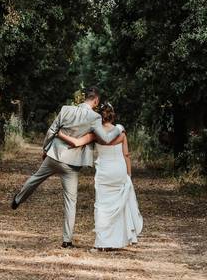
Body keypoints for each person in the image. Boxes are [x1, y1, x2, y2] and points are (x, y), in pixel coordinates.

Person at [9, 86, 123, 248]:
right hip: (71, 164)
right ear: (96, 100)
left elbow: (52, 131)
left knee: (35, 178)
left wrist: (45, 149)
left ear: (85, 98)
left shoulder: (66, 109)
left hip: (54, 154)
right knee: (70, 201)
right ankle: (66, 240)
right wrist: (119, 128)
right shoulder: (94, 117)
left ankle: (17, 199)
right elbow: (104, 138)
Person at [57, 101, 143, 251]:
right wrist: (128, 174)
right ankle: (116, 241)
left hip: (104, 172)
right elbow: (127, 155)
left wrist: (59, 134)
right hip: (119, 170)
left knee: (102, 206)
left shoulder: (96, 134)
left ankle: (102, 242)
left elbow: (77, 142)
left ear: (100, 117)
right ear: (112, 116)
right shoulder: (121, 133)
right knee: (119, 205)